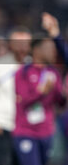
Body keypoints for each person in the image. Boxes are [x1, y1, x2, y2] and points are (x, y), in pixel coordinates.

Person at [13, 35, 66, 165]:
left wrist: (63, 94)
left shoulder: (54, 73)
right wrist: (41, 92)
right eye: (49, 48)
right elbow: (23, 101)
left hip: (47, 131)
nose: (53, 52)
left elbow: (60, 103)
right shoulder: (23, 72)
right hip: (26, 131)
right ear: (37, 50)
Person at [0, 27, 31, 165]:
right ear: (10, 44)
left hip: (29, 128)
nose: (22, 47)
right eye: (18, 42)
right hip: (3, 126)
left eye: (25, 43)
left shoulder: (35, 66)